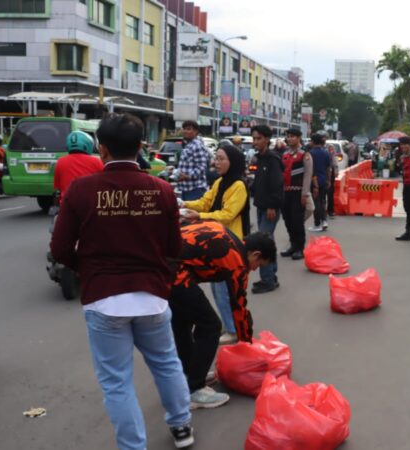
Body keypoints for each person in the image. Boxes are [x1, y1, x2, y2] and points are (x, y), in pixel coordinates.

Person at [50, 113, 194, 449]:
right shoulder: (161, 189)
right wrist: (160, 277)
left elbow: (59, 249)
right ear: (142, 146)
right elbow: (175, 249)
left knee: (117, 382)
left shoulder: (81, 190)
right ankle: (182, 427)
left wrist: (88, 271)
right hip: (153, 297)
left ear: (101, 149)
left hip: (104, 300)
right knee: (166, 363)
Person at [169, 223, 276, 409]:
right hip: (172, 272)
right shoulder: (237, 261)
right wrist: (247, 346)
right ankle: (195, 389)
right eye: (258, 265)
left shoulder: (229, 237)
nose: (254, 269)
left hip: (159, 261)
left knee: (182, 319)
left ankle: (189, 373)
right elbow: (239, 307)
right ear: (256, 254)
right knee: (210, 325)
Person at [181, 143, 251, 344]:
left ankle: (232, 329)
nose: (216, 162)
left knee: (224, 290)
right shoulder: (220, 182)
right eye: (216, 158)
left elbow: (227, 215)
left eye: (221, 158)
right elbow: (205, 201)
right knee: (219, 289)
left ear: (233, 161)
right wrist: (185, 204)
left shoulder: (238, 185)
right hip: (218, 242)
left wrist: (199, 216)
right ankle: (230, 326)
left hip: (231, 244)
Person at [249, 125, 284, 294]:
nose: (255, 142)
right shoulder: (259, 158)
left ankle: (268, 280)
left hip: (270, 207)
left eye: (259, 138)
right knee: (268, 242)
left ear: (267, 139)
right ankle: (272, 277)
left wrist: (272, 206)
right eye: (254, 138)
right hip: (261, 205)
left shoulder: (272, 159)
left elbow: (277, 185)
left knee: (262, 244)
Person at [279, 128, 312, 260]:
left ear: (299, 138)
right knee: (288, 220)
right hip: (286, 192)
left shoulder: (305, 155)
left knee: (297, 221)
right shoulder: (285, 154)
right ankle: (292, 245)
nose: (290, 139)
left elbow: (308, 175)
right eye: (288, 136)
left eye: (293, 136)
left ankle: (300, 248)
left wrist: (305, 194)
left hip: (298, 192)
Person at [53, 130, 104, 200]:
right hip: (89, 205)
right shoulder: (97, 162)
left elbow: (58, 187)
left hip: (67, 205)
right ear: (88, 145)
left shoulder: (60, 161)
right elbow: (103, 184)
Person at [176, 120, 210, 201]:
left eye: (188, 129)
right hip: (186, 189)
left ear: (195, 131)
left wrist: (188, 176)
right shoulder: (189, 145)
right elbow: (188, 166)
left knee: (192, 213)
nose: (185, 131)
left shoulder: (197, 146)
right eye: (184, 129)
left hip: (195, 189)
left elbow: (202, 167)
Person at [308, 134, 331, 232]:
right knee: (322, 201)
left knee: (316, 203)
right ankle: (324, 221)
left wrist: (314, 183)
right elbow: (328, 168)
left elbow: (310, 169)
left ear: (313, 142)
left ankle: (317, 223)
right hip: (324, 180)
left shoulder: (310, 153)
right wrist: (329, 180)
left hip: (314, 180)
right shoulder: (326, 153)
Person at [326, 143, 339, 217]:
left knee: (330, 193)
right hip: (327, 174)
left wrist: (336, 171)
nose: (332, 150)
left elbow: (335, 164)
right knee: (327, 192)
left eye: (332, 149)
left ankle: (330, 210)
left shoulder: (333, 155)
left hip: (331, 174)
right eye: (330, 149)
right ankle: (328, 210)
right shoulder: (326, 155)